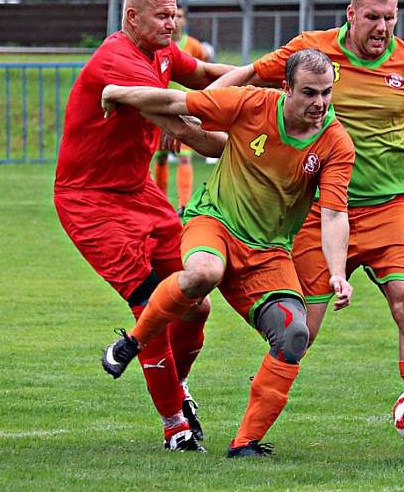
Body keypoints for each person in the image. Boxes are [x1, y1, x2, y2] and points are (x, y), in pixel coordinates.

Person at [207, 0, 404, 458]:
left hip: (391, 206)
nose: (383, 27)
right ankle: (247, 439)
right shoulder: (311, 53)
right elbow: (253, 72)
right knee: (300, 329)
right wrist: (207, 106)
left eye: (390, 18)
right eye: (373, 18)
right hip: (322, 210)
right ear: (351, 13)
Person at [100, 49, 356, 458]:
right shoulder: (253, 102)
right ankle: (131, 342)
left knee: (294, 335)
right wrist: (119, 92)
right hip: (214, 222)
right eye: (309, 92)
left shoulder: (336, 142)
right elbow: (178, 102)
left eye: (327, 93)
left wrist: (337, 273)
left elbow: (334, 215)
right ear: (286, 87)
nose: (320, 103)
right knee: (204, 273)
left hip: (269, 253)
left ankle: (245, 443)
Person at [54, 0, 233, 452]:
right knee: (150, 304)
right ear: (132, 17)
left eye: (174, 14)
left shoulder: (164, 54)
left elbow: (207, 76)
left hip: (140, 193)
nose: (172, 23)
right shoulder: (117, 58)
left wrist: (280, 77)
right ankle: (175, 424)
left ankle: (176, 389)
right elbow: (187, 127)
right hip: (90, 201)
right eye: (162, 15)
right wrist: (261, 143)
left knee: (197, 301)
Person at [153, 5, 215, 216]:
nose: (175, 20)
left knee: (184, 156)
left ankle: (184, 205)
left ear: (185, 20)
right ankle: (160, 203)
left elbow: (204, 73)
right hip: (160, 108)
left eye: (179, 16)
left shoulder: (194, 46)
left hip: (186, 108)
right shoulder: (158, 45)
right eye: (171, 15)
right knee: (160, 157)